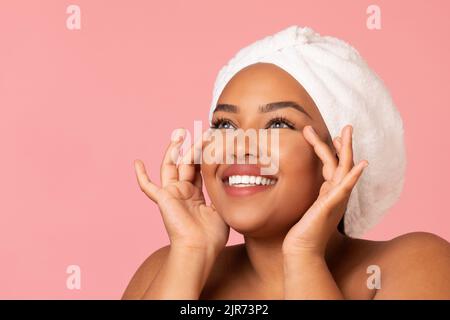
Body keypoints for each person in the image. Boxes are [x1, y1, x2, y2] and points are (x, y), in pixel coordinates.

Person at [122, 26, 450, 300]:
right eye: (225, 125)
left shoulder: (414, 264)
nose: (239, 147)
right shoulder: (166, 269)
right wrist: (190, 252)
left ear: (338, 157)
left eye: (278, 124)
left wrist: (304, 256)